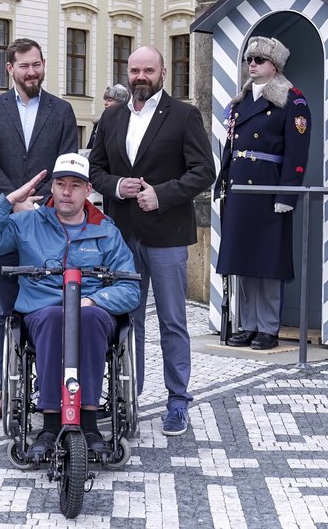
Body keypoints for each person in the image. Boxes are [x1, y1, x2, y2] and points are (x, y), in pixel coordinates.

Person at [0, 153, 139, 457]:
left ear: (87, 190)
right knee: (55, 317)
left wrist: (94, 299)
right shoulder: (27, 223)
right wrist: (8, 201)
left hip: (91, 311)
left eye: (75, 185)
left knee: (93, 318)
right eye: (60, 184)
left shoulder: (106, 230)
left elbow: (130, 290)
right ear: (52, 188)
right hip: (43, 311)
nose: (67, 191)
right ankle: (50, 421)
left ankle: (89, 422)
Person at [88, 45, 216, 436]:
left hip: (166, 236)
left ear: (163, 73)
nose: (140, 76)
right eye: (134, 70)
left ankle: (178, 401)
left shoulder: (184, 116)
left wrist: (161, 194)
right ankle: (130, 398)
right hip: (122, 239)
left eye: (148, 70)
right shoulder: (111, 118)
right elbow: (94, 169)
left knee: (173, 321)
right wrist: (118, 187)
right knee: (128, 321)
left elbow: (204, 171)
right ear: (127, 72)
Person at [0, 37, 78, 422]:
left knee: (48, 306)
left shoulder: (63, 110)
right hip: (4, 222)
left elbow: (66, 162)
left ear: (43, 63)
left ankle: (48, 384)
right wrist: (14, 199)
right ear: (10, 69)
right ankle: (9, 388)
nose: (31, 72)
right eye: (24, 66)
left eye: (36, 64)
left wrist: (39, 201)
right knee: (6, 310)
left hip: (49, 222)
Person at [215, 36, 311, 350]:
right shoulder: (239, 102)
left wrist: (287, 195)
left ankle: (268, 327)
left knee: (268, 262)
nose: (252, 65)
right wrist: (223, 183)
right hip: (241, 188)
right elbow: (230, 147)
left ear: (275, 66)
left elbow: (297, 153)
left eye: (259, 60)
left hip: (269, 188)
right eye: (250, 60)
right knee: (243, 260)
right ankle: (248, 325)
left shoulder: (292, 99)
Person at [86, 84, 131, 149]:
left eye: (110, 100)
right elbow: (91, 147)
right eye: (105, 100)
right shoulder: (99, 123)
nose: (105, 103)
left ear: (121, 102)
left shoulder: (129, 122)